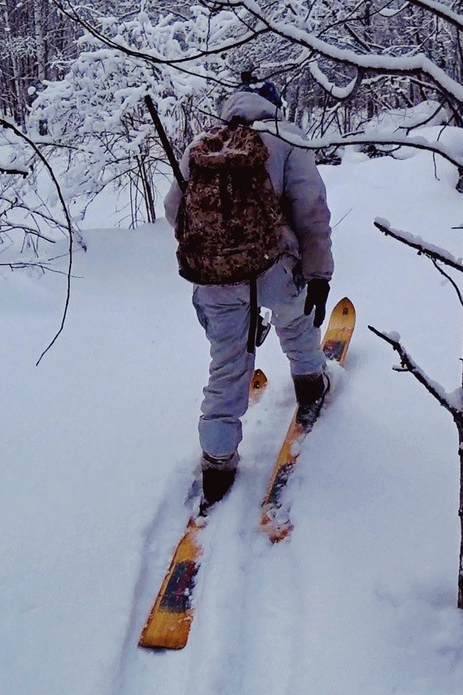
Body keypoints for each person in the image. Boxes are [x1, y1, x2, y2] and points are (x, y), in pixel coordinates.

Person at [164, 84, 334, 508]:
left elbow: (174, 210)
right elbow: (311, 210)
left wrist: (219, 248)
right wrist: (317, 273)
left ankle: (218, 460)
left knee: (227, 361)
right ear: (273, 103)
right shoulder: (287, 137)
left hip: (214, 276)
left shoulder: (203, 144)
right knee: (294, 322)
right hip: (274, 266)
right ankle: (310, 383)